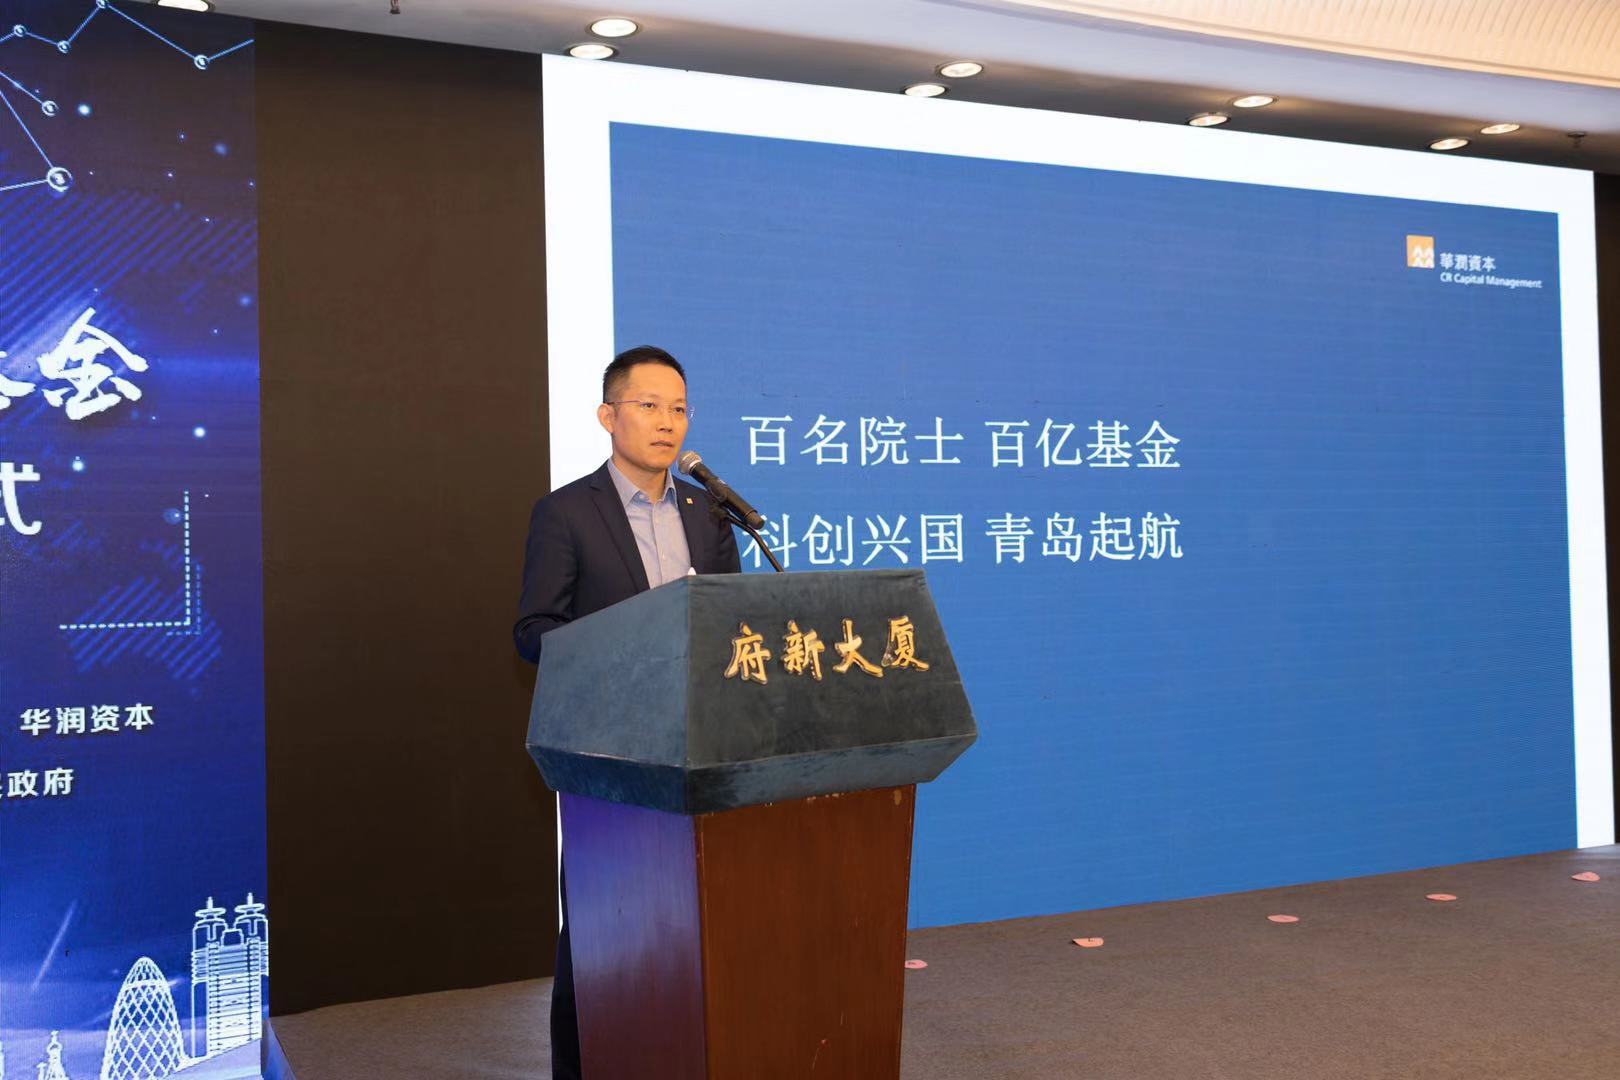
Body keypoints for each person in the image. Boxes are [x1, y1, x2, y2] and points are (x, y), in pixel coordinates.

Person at [513, 345, 741, 1079]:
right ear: (608, 417)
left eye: (679, 409)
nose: (667, 422)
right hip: (611, 753)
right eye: (648, 406)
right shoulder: (566, 513)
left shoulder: (709, 514)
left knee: (696, 925)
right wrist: (624, 651)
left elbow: (735, 627)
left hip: (702, 749)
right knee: (600, 934)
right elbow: (534, 630)